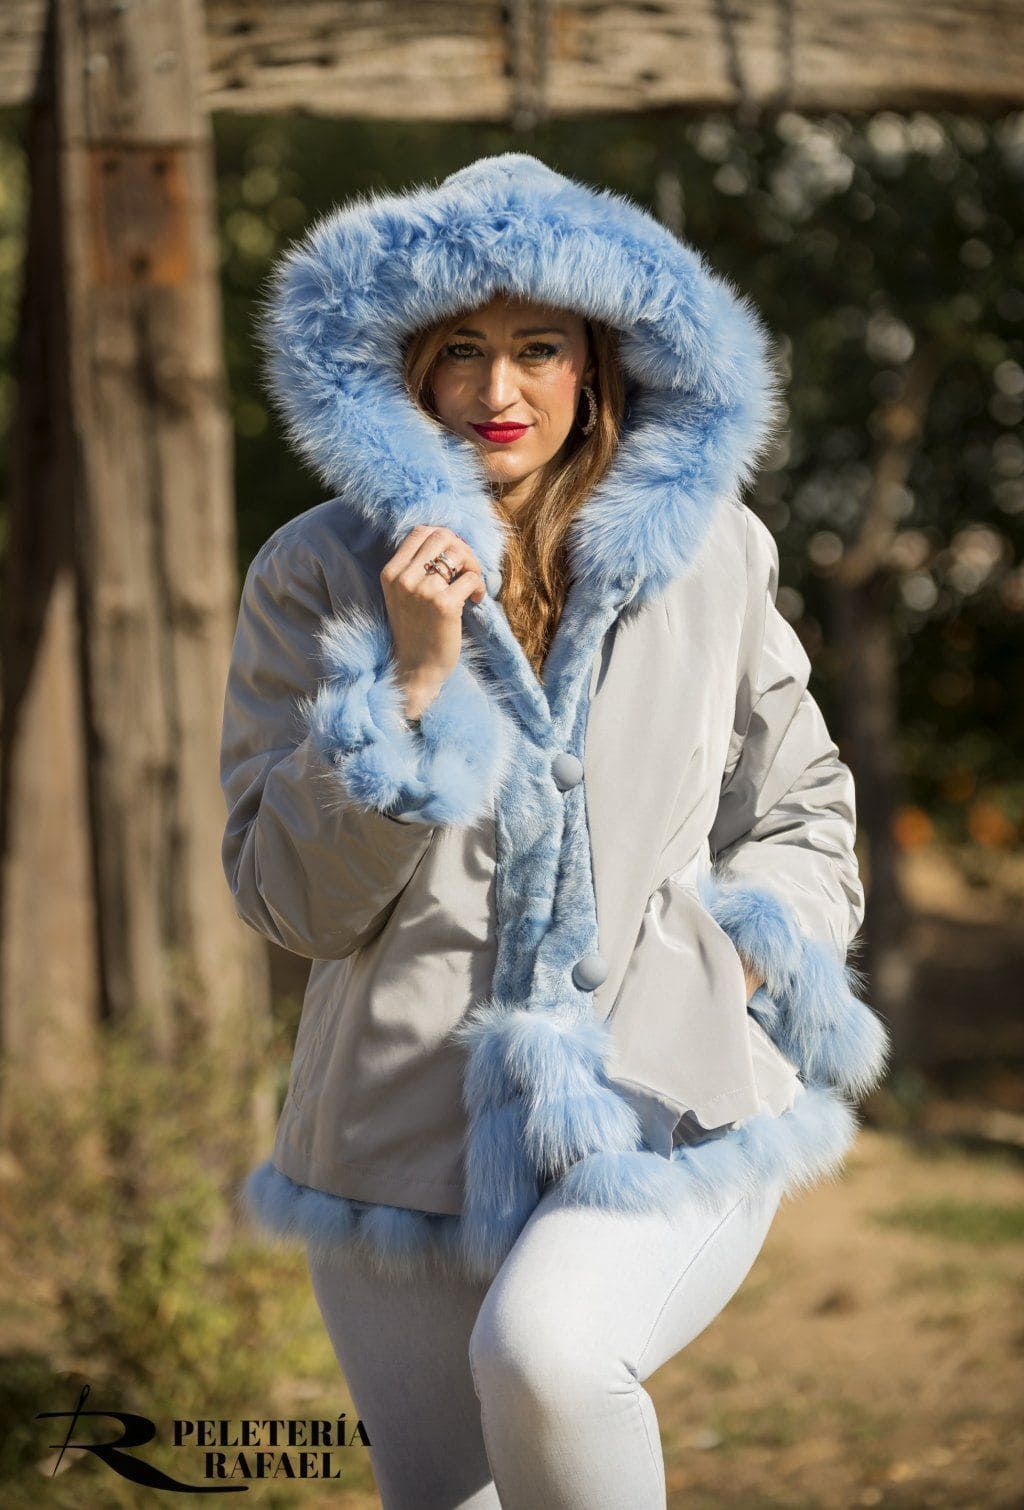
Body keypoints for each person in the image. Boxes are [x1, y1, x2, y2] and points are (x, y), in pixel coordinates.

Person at [219, 154, 891, 1508]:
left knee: (548, 1350)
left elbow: (807, 812)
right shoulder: (311, 574)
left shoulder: (712, 555)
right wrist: (408, 682)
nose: (497, 390)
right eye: (459, 348)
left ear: (600, 365)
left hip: (665, 1097)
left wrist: (745, 951)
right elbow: (293, 904)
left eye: (539, 346)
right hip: (397, 1142)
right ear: (401, 368)